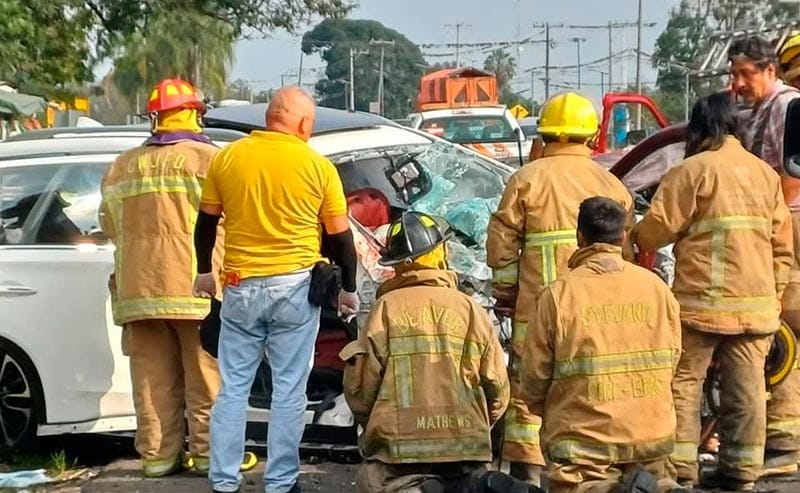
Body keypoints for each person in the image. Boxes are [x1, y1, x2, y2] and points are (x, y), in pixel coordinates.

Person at [193, 86, 359, 493]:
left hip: (240, 288)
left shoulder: (227, 158)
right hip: (295, 290)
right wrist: (348, 289)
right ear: (303, 123)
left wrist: (203, 272)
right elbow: (340, 239)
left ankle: (224, 482)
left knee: (233, 389)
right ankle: (281, 483)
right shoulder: (317, 166)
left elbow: (206, 224)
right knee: (289, 391)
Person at [633, 92, 794, 491]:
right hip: (755, 310)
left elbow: (656, 232)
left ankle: (683, 470)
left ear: (701, 128)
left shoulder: (692, 172)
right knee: (748, 390)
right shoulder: (765, 175)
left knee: (684, 385)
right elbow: (782, 246)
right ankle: (740, 472)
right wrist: (774, 296)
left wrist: (632, 234)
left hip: (700, 307)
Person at [486, 91, 635, 485]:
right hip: (596, 314)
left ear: (545, 135)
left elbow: (502, 246)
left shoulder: (525, 179)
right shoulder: (610, 183)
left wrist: (506, 292)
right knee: (588, 384)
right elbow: (627, 253)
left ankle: (528, 474)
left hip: (534, 312)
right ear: (590, 136)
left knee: (528, 388)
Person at [341, 211, 525, 493]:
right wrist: (476, 424)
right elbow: (497, 389)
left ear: (399, 265)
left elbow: (361, 392)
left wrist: (380, 427)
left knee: (373, 481)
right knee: (473, 483)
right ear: (440, 253)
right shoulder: (470, 309)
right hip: (466, 448)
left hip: (398, 456)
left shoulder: (384, 310)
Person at [98, 78, 222, 477]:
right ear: (195, 113)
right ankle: (207, 456)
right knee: (205, 378)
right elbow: (229, 222)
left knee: (152, 381)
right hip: (196, 289)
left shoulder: (121, 166)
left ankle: (157, 458)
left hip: (139, 290)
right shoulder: (209, 160)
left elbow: (110, 225)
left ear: (154, 116)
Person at [519, 197, 683, 493]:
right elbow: (672, 359)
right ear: (622, 236)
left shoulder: (559, 295)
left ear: (579, 237)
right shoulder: (657, 288)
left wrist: (551, 413)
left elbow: (534, 378)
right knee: (657, 482)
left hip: (583, 447)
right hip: (651, 438)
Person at [730, 34, 800, 476]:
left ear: (770, 71)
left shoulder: (785, 107)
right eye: (733, 74)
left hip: (787, 227)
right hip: (777, 228)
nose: (738, 83)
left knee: (785, 333)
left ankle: (786, 443)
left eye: (746, 73)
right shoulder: (760, 110)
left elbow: (789, 178)